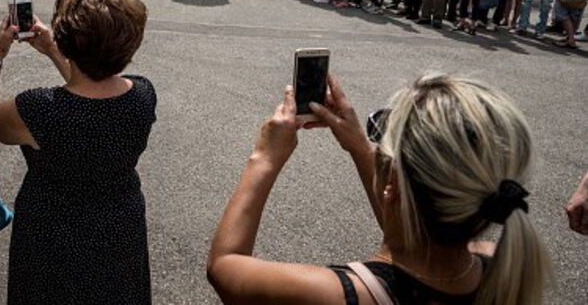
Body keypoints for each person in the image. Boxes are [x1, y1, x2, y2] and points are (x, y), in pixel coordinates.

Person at [207, 74, 550, 305]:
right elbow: (418, 226)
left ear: (394, 184)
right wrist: (360, 145)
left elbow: (224, 266)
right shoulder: (501, 264)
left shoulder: (340, 294)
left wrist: (264, 157)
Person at [0, 0, 155, 305]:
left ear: (68, 42)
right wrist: (53, 49)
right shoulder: (142, 95)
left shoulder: (41, 109)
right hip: (119, 226)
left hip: (52, 231)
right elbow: (88, 83)